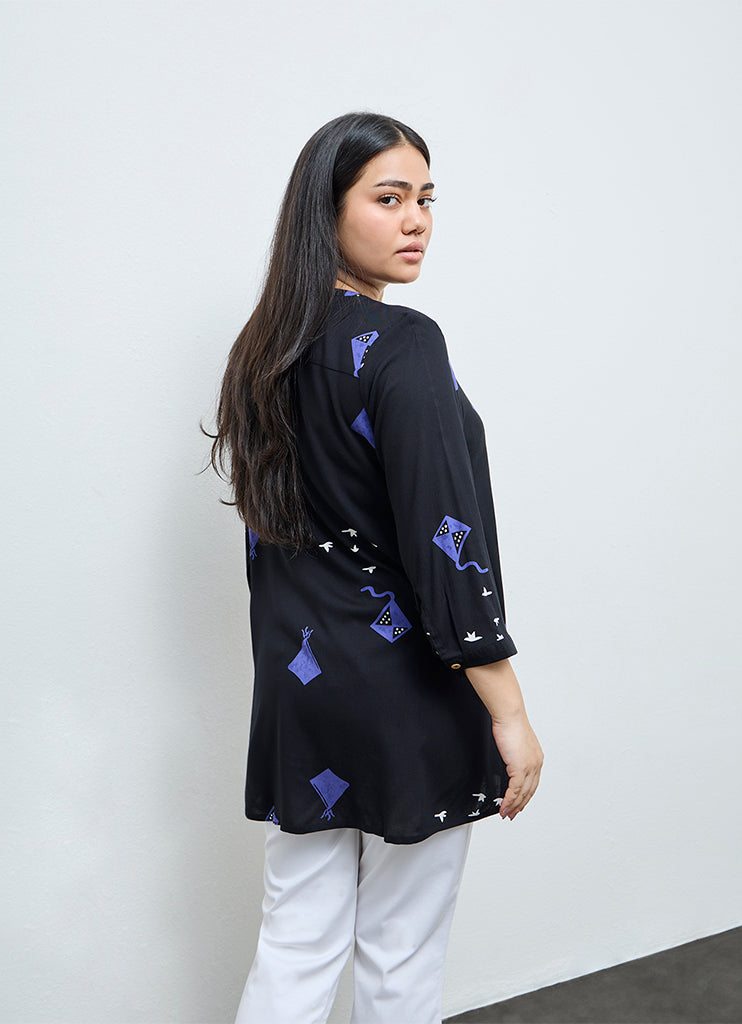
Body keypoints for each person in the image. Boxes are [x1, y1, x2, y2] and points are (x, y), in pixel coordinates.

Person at [207, 111, 544, 1024]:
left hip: (303, 690)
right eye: (388, 198)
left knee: (295, 942)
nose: (416, 220)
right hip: (407, 690)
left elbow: (269, 546)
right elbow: (447, 538)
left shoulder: (262, 351)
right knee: (400, 952)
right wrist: (509, 712)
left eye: (425, 198)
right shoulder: (404, 343)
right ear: (327, 211)